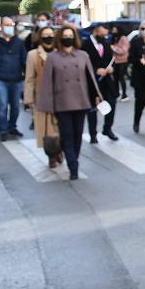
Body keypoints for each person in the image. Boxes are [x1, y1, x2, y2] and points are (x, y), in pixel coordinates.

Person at [36, 25, 97, 180]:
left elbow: (91, 79)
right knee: (67, 135)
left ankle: (73, 158)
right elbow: (47, 83)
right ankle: (73, 166)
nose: (68, 38)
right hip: (62, 102)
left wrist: (97, 97)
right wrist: (47, 105)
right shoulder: (53, 57)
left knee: (77, 135)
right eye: (65, 36)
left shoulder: (83, 56)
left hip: (81, 101)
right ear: (60, 38)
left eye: (71, 35)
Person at [0, 15, 28, 141]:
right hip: (0, 79)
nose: (9, 27)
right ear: (1, 26)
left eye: (11, 25)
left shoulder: (18, 42)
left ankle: (12, 126)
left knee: (15, 106)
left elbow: (24, 59)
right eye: (6, 25)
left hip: (16, 79)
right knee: (2, 106)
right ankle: (3, 129)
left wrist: (26, 73)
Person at [24, 26, 62, 168]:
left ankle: (59, 150)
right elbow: (29, 78)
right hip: (42, 99)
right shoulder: (33, 55)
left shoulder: (60, 52)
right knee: (47, 132)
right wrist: (28, 99)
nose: (48, 37)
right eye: (45, 35)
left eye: (51, 34)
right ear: (40, 37)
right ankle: (51, 155)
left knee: (61, 129)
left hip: (60, 98)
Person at [84, 23, 120, 143]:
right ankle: (93, 134)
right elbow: (83, 63)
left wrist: (111, 69)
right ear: (95, 31)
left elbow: (112, 61)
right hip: (92, 83)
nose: (104, 36)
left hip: (107, 82)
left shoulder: (105, 44)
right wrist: (95, 70)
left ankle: (107, 128)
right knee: (93, 109)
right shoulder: (85, 45)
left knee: (112, 104)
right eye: (102, 33)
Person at [110, 25, 131, 101]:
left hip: (123, 61)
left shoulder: (123, 38)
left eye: (114, 30)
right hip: (114, 61)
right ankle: (116, 94)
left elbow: (124, 50)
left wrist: (113, 48)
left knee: (121, 78)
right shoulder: (114, 38)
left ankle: (124, 95)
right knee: (115, 78)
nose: (113, 31)